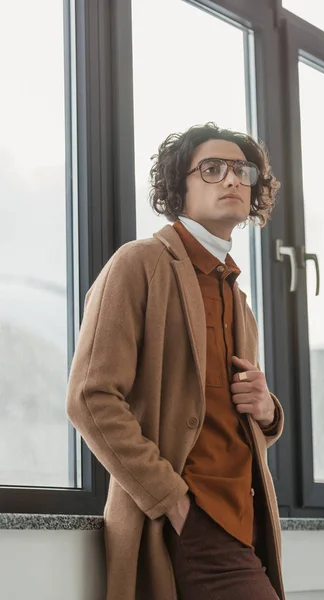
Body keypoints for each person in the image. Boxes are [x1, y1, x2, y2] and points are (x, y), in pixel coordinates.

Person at [66, 122, 285, 600]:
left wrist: (267, 414)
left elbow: (226, 420)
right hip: (189, 525)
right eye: (212, 169)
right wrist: (174, 502)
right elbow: (90, 397)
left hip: (244, 526)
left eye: (242, 171)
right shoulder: (138, 264)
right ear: (177, 187)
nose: (231, 179)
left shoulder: (239, 298)